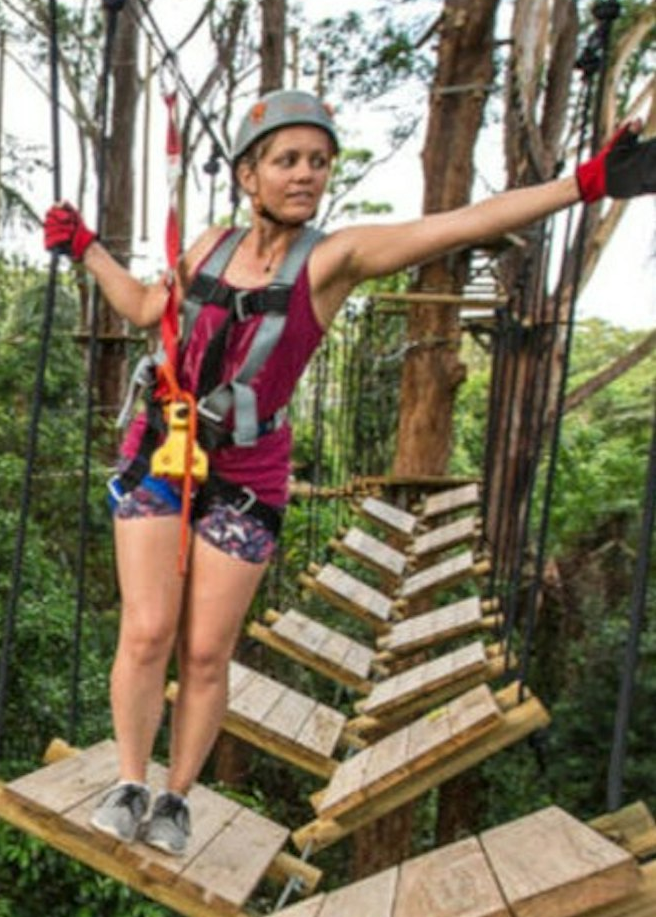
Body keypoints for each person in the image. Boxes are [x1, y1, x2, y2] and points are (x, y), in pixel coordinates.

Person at [43, 89, 656, 857]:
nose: (305, 175)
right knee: (146, 630)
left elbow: (456, 224)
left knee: (204, 652)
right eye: (287, 160)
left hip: (247, 469)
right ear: (249, 174)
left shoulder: (335, 259)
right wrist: (88, 248)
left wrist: (585, 184)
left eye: (319, 163)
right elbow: (142, 308)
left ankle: (174, 798)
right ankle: (131, 777)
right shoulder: (205, 248)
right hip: (161, 448)